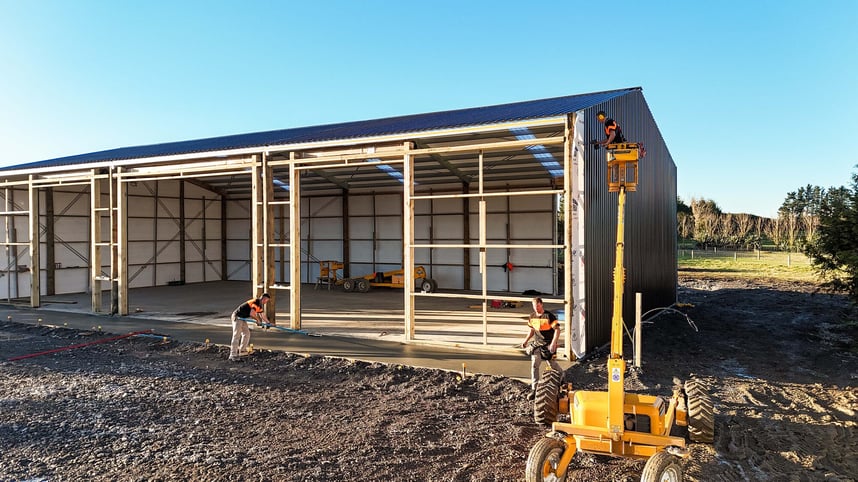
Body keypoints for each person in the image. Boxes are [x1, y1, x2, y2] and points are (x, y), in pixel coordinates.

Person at [520, 297, 562, 399]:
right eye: (534, 306)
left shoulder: (549, 316)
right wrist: (525, 341)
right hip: (537, 344)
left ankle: (562, 376)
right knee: (535, 365)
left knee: (551, 363)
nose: (536, 308)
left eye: (538, 306)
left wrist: (553, 343)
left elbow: (557, 330)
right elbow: (531, 330)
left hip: (548, 344)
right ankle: (534, 389)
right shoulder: (532, 316)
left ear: (541, 304)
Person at [229, 293, 272, 362]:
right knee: (236, 335)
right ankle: (233, 354)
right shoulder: (256, 302)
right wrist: (257, 320)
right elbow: (252, 314)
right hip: (237, 317)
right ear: (264, 299)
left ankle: (242, 350)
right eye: (266, 300)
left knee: (246, 333)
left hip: (242, 318)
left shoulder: (259, 305)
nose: (266, 302)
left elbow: (262, 315)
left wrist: (268, 323)